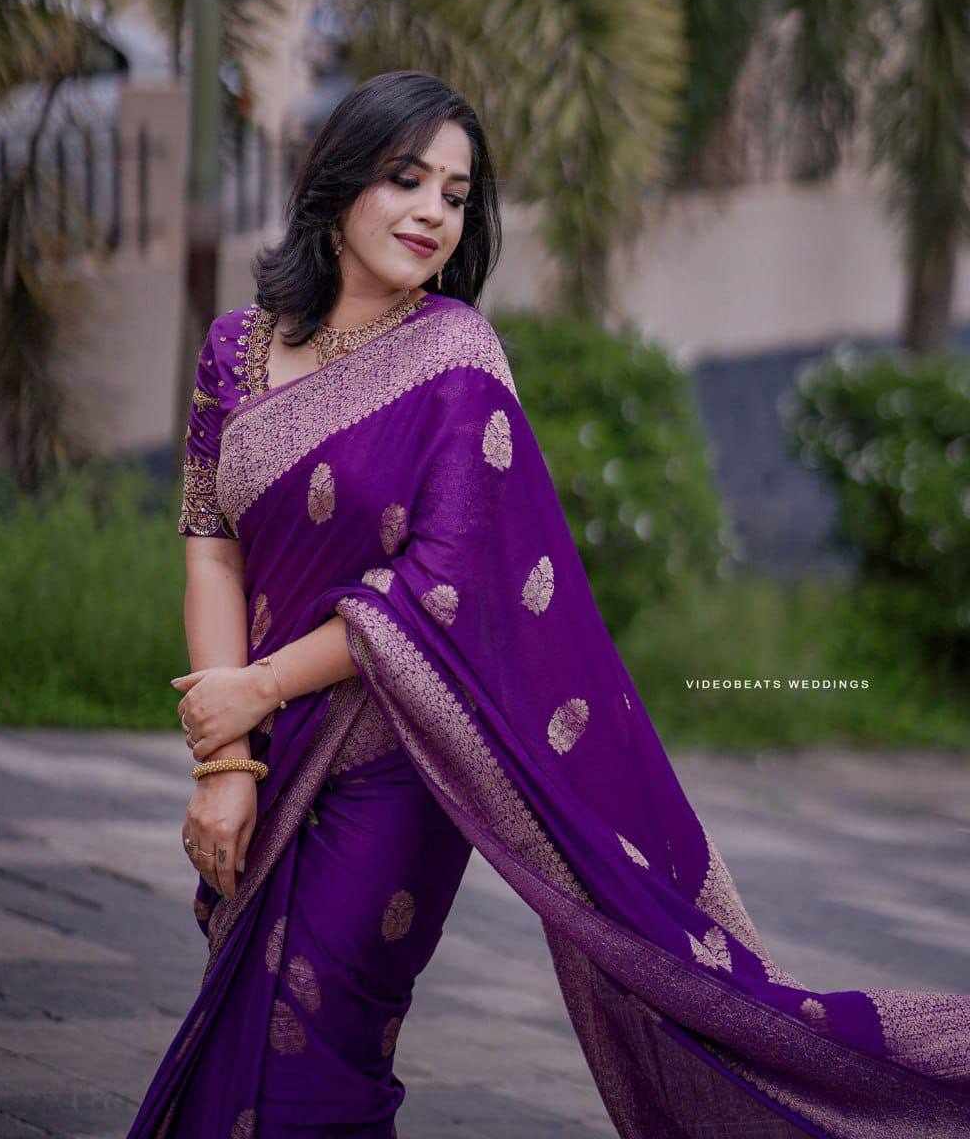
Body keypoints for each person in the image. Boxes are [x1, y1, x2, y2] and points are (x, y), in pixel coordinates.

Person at [127, 70, 968, 1139]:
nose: (433, 212)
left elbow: (436, 589)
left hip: (397, 758)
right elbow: (212, 546)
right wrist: (225, 758)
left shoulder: (455, 357)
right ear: (336, 184)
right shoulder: (234, 348)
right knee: (242, 1032)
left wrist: (254, 688)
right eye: (406, 179)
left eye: (456, 193)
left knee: (319, 1041)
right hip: (266, 743)